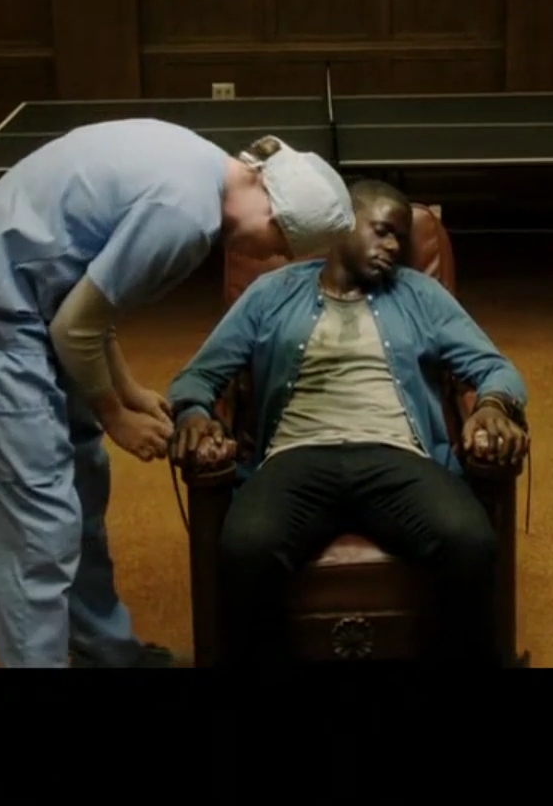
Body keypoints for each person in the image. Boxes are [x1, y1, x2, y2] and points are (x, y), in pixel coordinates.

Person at [0, 119, 354, 669]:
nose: (272, 259)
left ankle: (104, 652)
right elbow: (75, 328)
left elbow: (89, 300)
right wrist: (116, 417)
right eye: (282, 248)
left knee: (82, 480)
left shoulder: (199, 160)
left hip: (36, 299)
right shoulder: (186, 217)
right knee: (37, 523)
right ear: (275, 215)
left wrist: (128, 390)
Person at [165, 179, 530, 667]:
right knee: (246, 548)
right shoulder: (272, 293)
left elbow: (495, 367)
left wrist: (493, 406)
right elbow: (200, 375)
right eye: (382, 231)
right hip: (296, 455)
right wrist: (193, 413)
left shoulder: (421, 294)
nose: (393, 247)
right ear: (343, 225)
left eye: (400, 237)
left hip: (395, 453)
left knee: (470, 541)